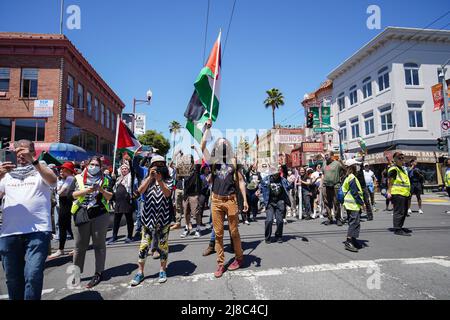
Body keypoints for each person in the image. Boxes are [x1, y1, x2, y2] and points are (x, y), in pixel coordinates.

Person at [0, 140, 57, 300]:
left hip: (38, 232)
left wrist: (34, 162)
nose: (19, 155)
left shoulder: (41, 169)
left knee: (32, 275)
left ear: (33, 152)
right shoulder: (6, 174)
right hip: (9, 233)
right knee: (12, 278)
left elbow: (52, 180)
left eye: (23, 151)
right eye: (16, 151)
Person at [201, 119, 248, 278]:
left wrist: (245, 200)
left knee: (234, 232)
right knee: (219, 233)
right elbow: (202, 147)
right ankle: (220, 264)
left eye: (224, 143)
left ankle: (239, 258)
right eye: (219, 143)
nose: (222, 145)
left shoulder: (234, 161)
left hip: (231, 200)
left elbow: (241, 181)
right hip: (216, 201)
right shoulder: (213, 161)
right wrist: (207, 129)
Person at [68, 156, 113, 288]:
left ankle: (98, 272)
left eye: (96, 164)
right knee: (79, 246)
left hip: (100, 214)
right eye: (91, 164)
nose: (94, 167)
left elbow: (111, 196)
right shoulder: (77, 178)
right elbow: (70, 195)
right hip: (81, 213)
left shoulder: (106, 179)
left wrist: (101, 190)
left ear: (101, 166)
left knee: (99, 245)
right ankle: (76, 273)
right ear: (87, 165)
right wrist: (86, 191)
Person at [130, 155, 173, 286]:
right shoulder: (147, 179)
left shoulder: (168, 179)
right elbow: (138, 192)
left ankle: (162, 270)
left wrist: (160, 180)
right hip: (147, 219)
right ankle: (140, 272)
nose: (159, 168)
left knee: (163, 246)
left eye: (161, 165)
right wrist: (150, 177)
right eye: (156, 165)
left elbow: (168, 194)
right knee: (143, 246)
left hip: (163, 219)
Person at [48, 162, 76, 259]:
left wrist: (59, 190)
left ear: (69, 171)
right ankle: (62, 249)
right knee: (64, 226)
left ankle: (71, 247)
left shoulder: (70, 178)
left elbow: (60, 192)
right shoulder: (62, 179)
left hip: (67, 204)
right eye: (60, 169)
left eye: (64, 169)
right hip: (63, 204)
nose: (61, 171)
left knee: (66, 226)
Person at [260, 167, 291, 243]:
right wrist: (259, 194)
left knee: (280, 221)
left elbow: (288, 187)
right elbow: (261, 189)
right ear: (271, 174)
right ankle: (267, 237)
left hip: (280, 201)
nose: (276, 175)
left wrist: (292, 184)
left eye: (277, 174)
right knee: (269, 220)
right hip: (270, 202)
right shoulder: (266, 180)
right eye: (275, 174)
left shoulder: (283, 180)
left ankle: (279, 236)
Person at [342, 159, 365, 252]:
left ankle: (353, 239)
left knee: (355, 223)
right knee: (354, 223)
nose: (358, 167)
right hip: (353, 204)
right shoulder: (352, 177)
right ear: (353, 167)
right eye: (356, 165)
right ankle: (349, 241)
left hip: (350, 204)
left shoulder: (349, 177)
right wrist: (362, 203)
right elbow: (355, 193)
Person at [108, 164, 135, 244]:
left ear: (128, 170)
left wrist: (130, 161)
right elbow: (110, 188)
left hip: (127, 202)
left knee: (129, 220)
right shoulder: (118, 179)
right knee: (116, 221)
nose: (124, 170)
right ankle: (114, 236)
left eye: (125, 169)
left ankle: (130, 236)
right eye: (122, 169)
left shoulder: (131, 177)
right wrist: (112, 179)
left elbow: (133, 171)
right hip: (118, 202)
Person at [180, 146, 203, 238]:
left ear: (192, 161)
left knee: (196, 213)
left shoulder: (196, 168)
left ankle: (198, 228)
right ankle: (187, 228)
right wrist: (181, 155)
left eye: (188, 159)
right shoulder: (184, 170)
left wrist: (196, 149)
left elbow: (201, 158)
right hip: (186, 194)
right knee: (186, 213)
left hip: (194, 194)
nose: (187, 160)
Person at [387, 152, 411, 236]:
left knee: (404, 212)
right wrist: (389, 191)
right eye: (399, 158)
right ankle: (397, 229)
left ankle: (400, 226)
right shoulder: (394, 169)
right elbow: (390, 181)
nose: (402, 159)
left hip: (405, 193)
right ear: (395, 160)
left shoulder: (402, 169)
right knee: (399, 212)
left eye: (402, 158)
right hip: (397, 193)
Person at [323, 152, 345, 226]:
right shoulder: (324, 163)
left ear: (332, 156)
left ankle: (338, 218)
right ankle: (329, 218)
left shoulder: (337, 163)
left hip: (335, 185)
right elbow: (324, 174)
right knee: (327, 202)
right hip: (326, 186)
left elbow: (344, 170)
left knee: (336, 202)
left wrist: (341, 178)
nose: (325, 156)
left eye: (327, 155)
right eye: (325, 155)